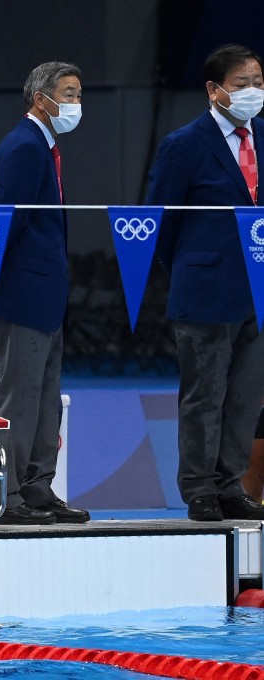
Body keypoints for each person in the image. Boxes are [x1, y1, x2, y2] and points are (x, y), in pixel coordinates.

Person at [0, 62, 89, 525]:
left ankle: (38, 489)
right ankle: (7, 496)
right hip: (23, 297)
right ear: (40, 98)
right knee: (18, 398)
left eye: (78, 94)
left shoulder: (44, 147)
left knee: (46, 399)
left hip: (46, 297)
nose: (76, 103)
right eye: (69, 94)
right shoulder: (23, 148)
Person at [146, 44, 264, 522]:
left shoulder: (262, 140)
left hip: (257, 293)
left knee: (245, 397)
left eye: (258, 82)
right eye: (242, 84)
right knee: (204, 395)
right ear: (214, 91)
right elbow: (159, 224)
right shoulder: (184, 144)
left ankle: (230, 481)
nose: (253, 91)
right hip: (204, 291)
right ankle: (199, 487)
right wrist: (194, 271)